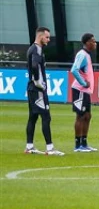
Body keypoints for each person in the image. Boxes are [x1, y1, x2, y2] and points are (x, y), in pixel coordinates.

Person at [24, 27, 64, 156]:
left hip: (32, 88)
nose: (48, 39)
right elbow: (35, 66)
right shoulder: (36, 50)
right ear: (40, 36)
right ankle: (50, 148)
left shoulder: (32, 49)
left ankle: (29, 146)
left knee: (33, 117)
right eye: (47, 37)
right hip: (37, 89)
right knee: (46, 117)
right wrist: (38, 83)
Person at [70, 33, 97, 152]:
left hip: (85, 91)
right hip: (80, 89)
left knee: (87, 116)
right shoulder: (82, 55)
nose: (95, 43)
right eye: (93, 41)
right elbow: (74, 70)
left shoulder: (87, 55)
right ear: (87, 43)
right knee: (80, 116)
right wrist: (83, 82)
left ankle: (84, 143)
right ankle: (78, 145)